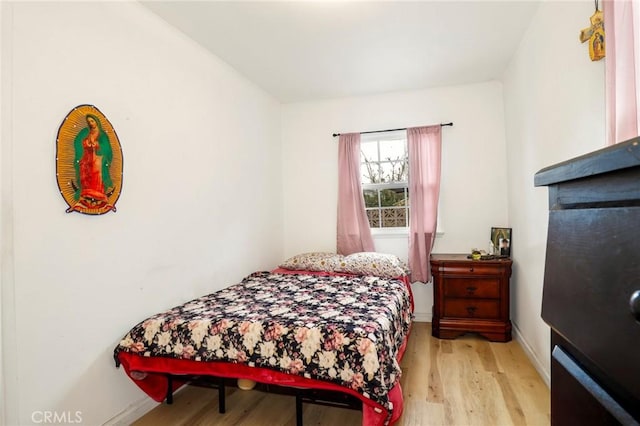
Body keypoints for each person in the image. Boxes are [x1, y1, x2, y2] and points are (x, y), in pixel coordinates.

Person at [67, 114, 115, 213]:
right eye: (89, 122)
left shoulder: (102, 135)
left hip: (98, 158)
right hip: (87, 157)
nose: (91, 123)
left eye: (92, 121)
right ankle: (86, 196)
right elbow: (80, 143)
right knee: (85, 173)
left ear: (96, 121)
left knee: (96, 174)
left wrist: (97, 145)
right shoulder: (87, 133)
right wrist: (86, 144)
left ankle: (99, 196)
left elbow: (107, 149)